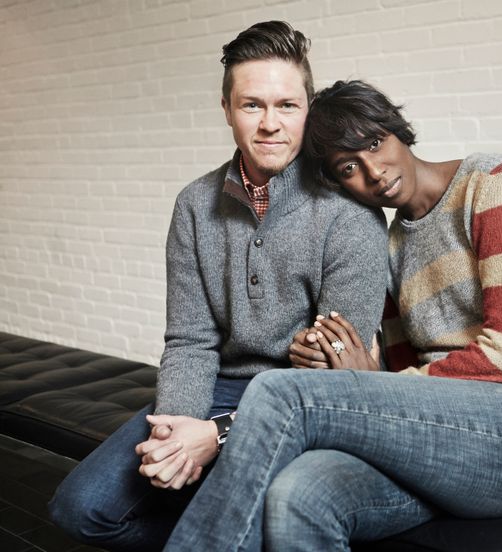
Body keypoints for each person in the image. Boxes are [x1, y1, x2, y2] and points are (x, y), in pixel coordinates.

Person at [161, 80, 502, 551]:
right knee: (298, 494)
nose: (373, 171)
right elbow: (399, 369)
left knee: (282, 392)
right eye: (348, 166)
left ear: (397, 130)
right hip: (449, 442)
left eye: (375, 143)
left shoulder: (491, 181)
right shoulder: (388, 247)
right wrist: (358, 371)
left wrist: (371, 386)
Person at [47, 26, 388, 552]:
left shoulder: (348, 213)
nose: (270, 124)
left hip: (300, 404)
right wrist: (177, 430)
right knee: (81, 508)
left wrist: (219, 435)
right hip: (216, 389)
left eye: (287, 105)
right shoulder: (193, 205)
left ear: (309, 109)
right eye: (252, 105)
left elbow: (333, 380)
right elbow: (190, 339)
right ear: (226, 108)